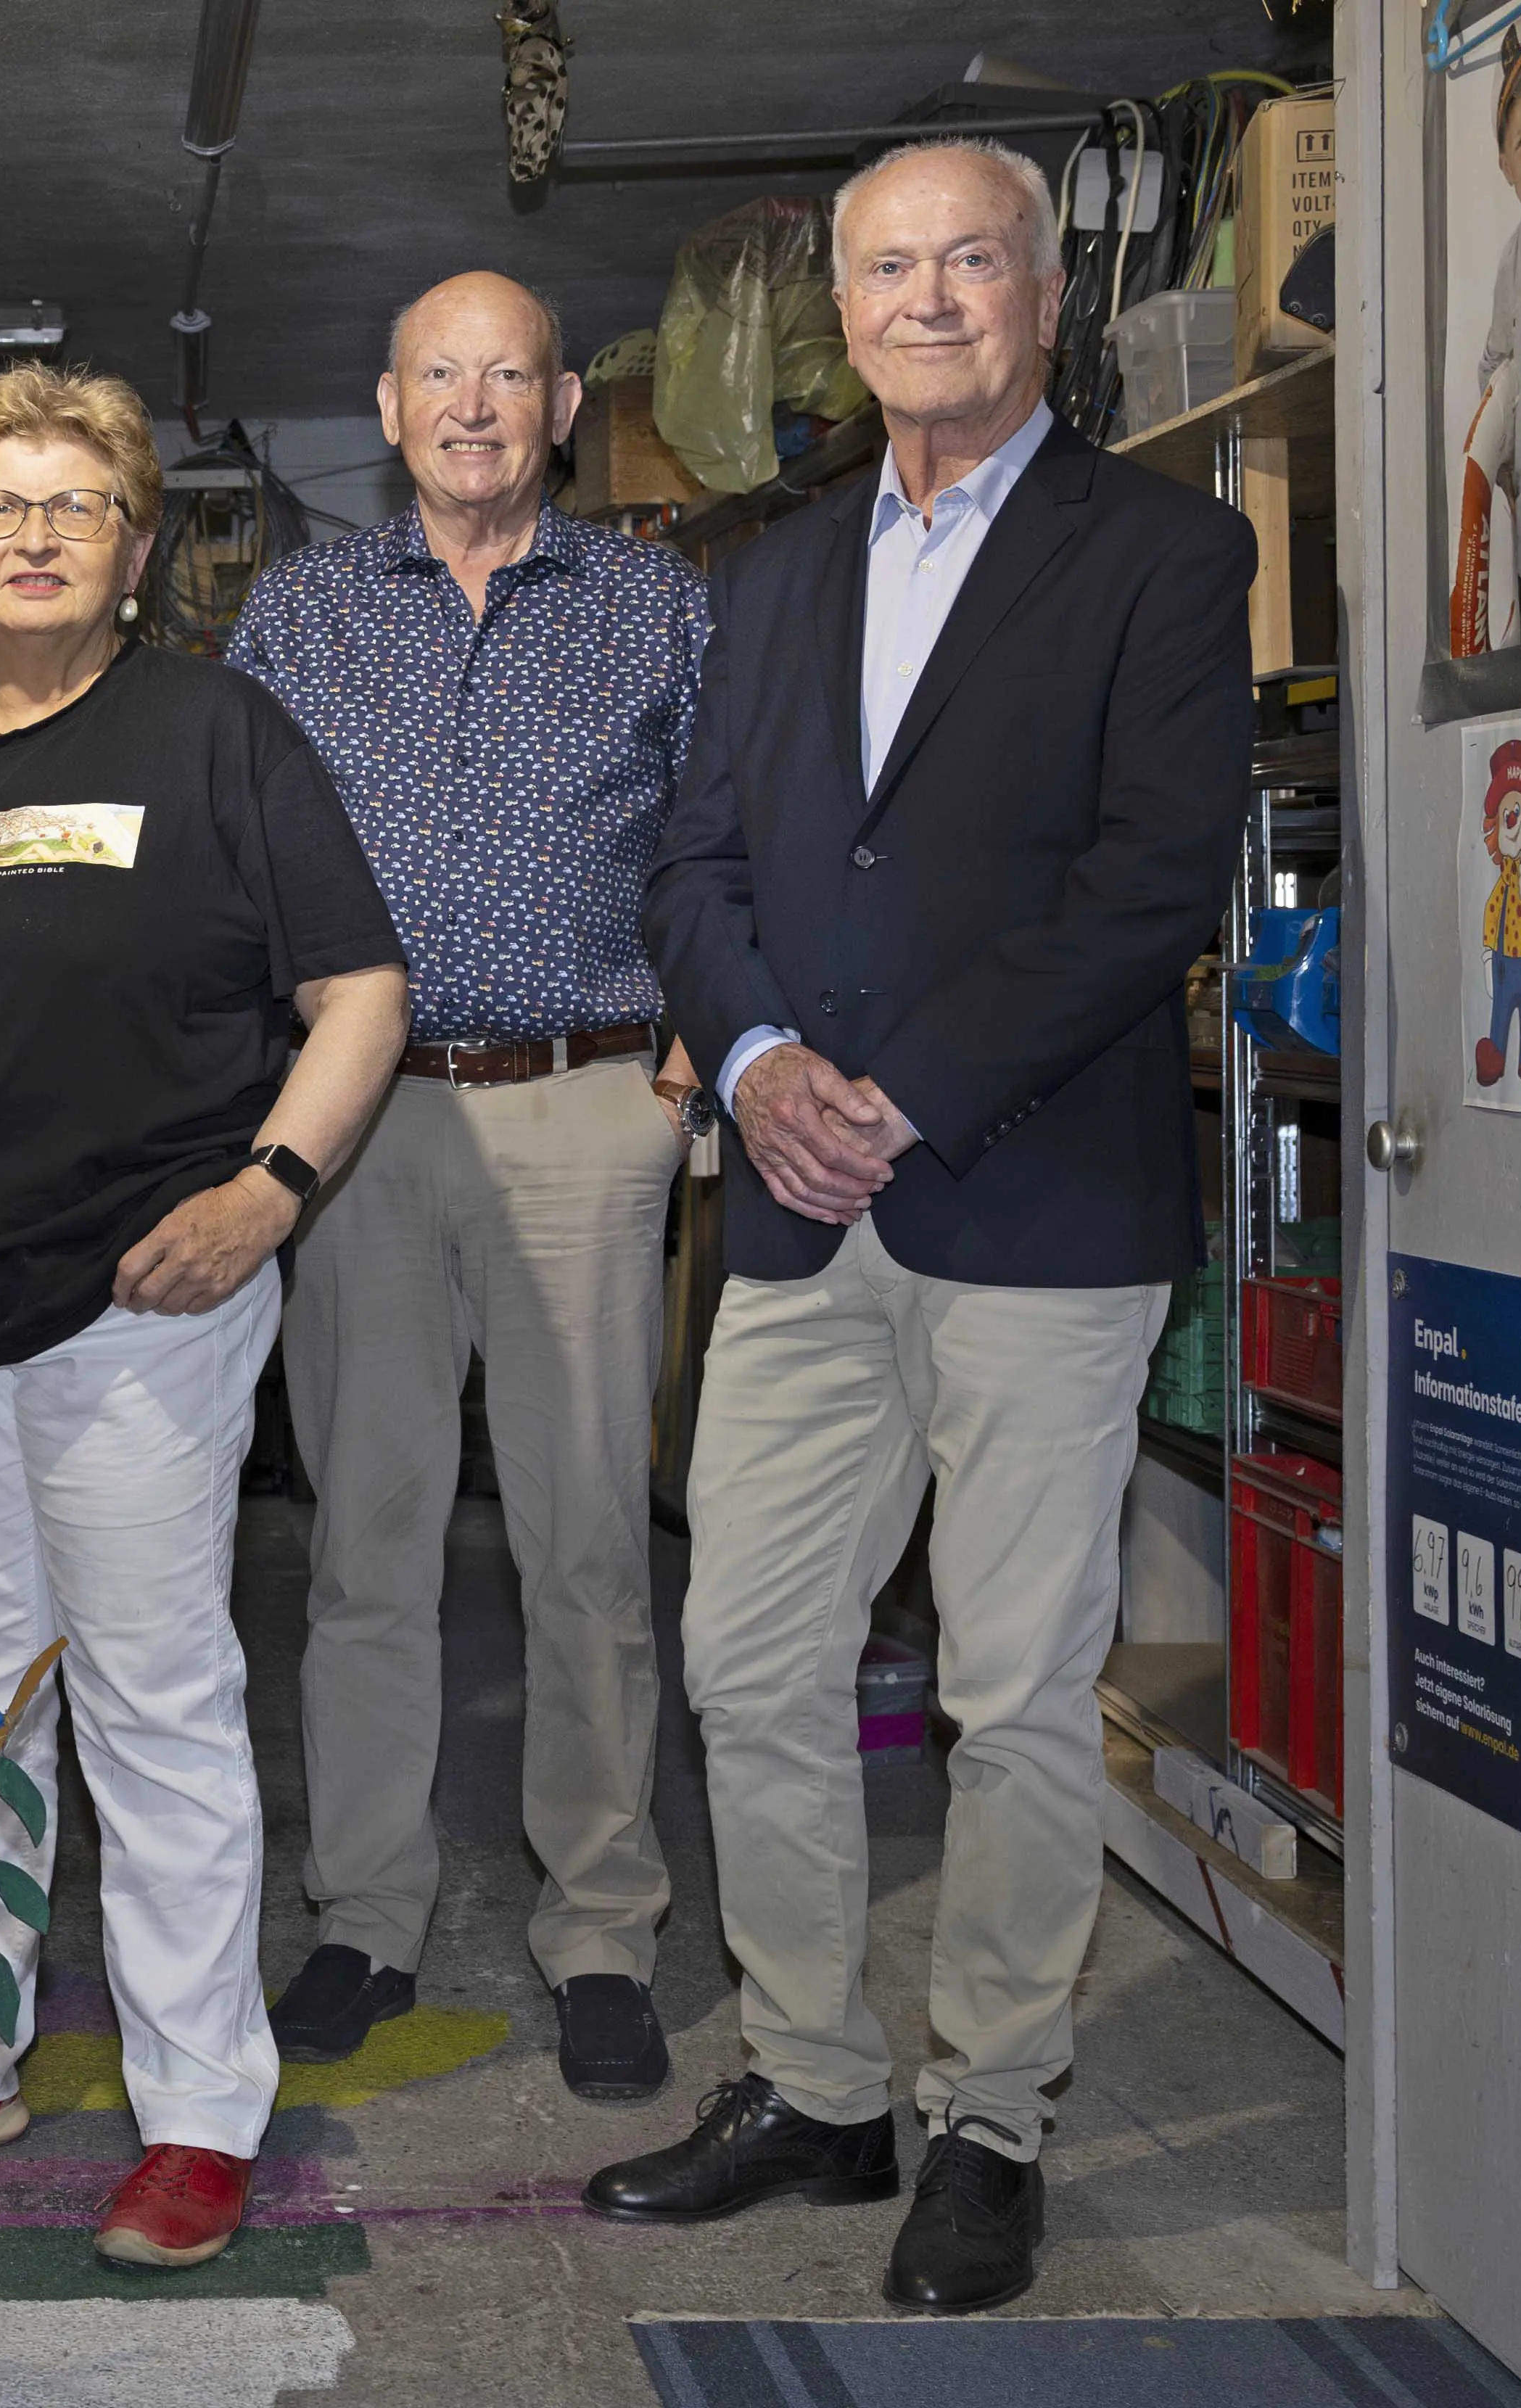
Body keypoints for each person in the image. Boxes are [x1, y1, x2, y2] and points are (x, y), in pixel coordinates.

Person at [599, 139, 1253, 2315]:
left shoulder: (1165, 548)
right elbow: (690, 865)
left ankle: (989, 2109)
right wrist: (766, 1059)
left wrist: (910, 1090)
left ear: (1041, 295)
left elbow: (1150, 879)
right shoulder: (763, 577)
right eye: (887, 268)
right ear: (842, 315)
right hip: (794, 1205)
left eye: (970, 259)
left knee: (1008, 1688)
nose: (928, 297)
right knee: (746, 1659)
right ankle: (811, 2080)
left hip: (1032, 1201)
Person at [0, 364, 408, 2271]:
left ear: (132, 550)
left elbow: (357, 991)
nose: (31, 536)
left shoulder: (217, 734)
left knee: (149, 1696)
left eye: (72, 506)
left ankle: (198, 2102)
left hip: (139, 1302)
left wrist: (263, 1188)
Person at [225, 272, 712, 2095]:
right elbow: (236, 860)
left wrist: (695, 1045)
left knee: (588, 1546)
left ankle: (601, 1930)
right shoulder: (300, 610)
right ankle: (363, 1917)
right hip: (359, 1128)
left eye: (510, 375)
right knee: (363, 1546)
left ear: (564, 404)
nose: (476, 405)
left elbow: (717, 840)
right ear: (388, 401)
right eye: (443, 374)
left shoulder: (659, 606)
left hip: (587, 1105)